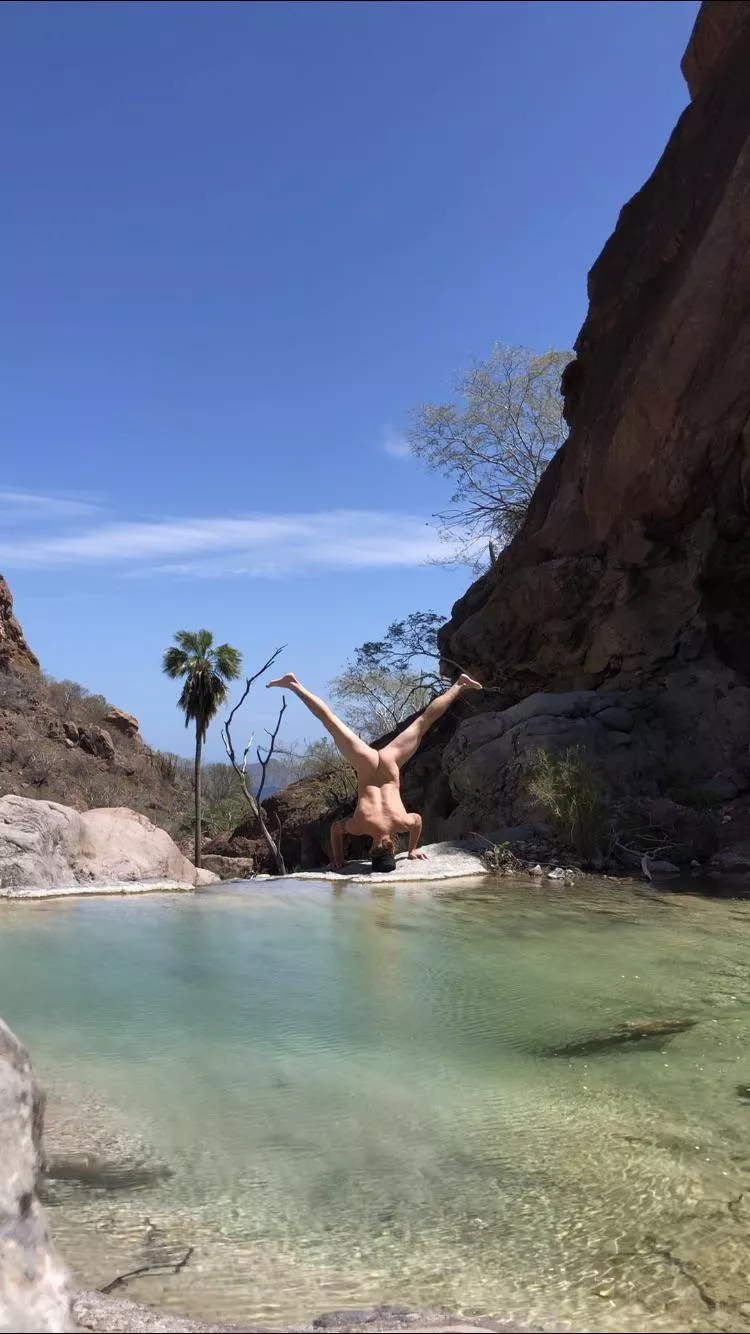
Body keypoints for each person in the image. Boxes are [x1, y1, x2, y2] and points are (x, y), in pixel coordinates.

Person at [267, 672, 482, 871]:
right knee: (330, 721)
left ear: (391, 848)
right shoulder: (360, 826)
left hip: (390, 762)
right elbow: (336, 830)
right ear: (372, 852)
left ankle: (459, 685)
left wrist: (412, 849)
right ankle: (293, 685)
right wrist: (338, 858)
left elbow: (417, 820)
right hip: (366, 764)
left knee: (424, 721)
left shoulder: (401, 822)